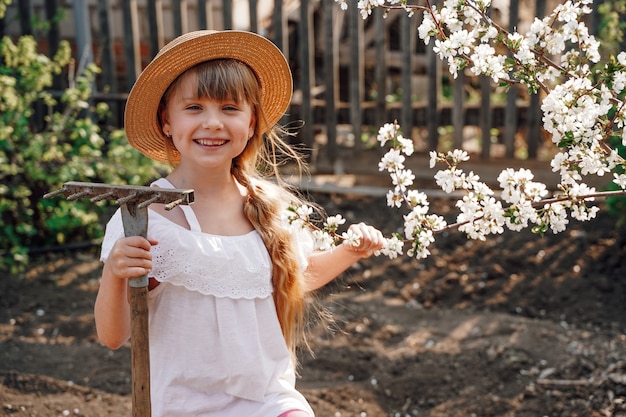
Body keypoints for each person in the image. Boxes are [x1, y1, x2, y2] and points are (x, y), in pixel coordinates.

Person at [94, 30, 384, 417]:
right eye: (194, 107)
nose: (213, 123)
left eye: (230, 108)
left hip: (268, 401)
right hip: (186, 405)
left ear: (251, 124)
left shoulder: (268, 206)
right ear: (167, 121)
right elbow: (113, 336)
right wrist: (116, 272)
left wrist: (349, 251)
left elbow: (294, 275)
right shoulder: (147, 219)